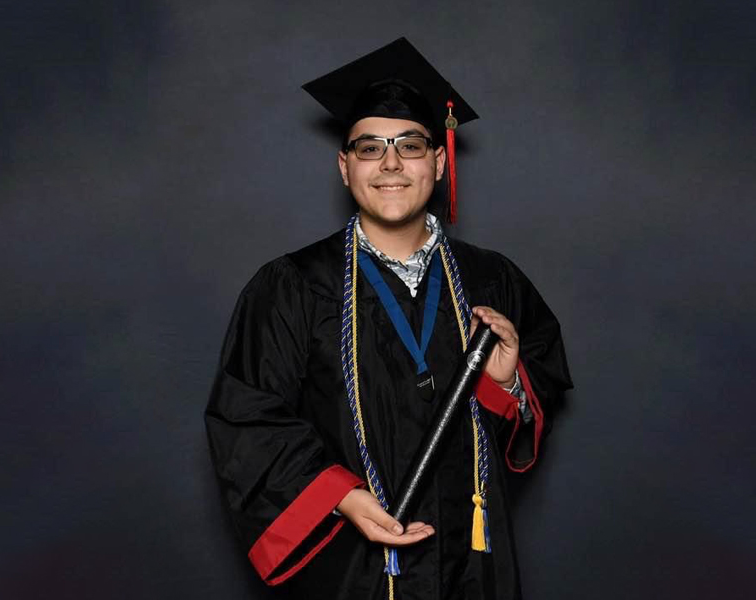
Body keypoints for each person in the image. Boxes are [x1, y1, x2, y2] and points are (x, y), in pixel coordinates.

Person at [205, 38, 572, 600]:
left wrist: (504, 384)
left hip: (472, 563)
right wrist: (343, 497)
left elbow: (535, 393)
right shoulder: (292, 286)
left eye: (411, 145)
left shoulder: (492, 280)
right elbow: (247, 419)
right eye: (370, 148)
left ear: (440, 161)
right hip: (355, 568)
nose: (392, 164)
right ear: (345, 166)